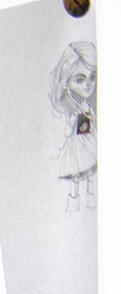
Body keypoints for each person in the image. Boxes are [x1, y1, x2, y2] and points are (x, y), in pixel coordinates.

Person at [50, 41, 97, 212]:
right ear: (66, 81)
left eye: (93, 77)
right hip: (78, 144)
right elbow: (70, 128)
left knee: (91, 171)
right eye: (80, 79)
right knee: (77, 172)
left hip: (90, 140)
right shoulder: (71, 105)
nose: (88, 85)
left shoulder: (87, 104)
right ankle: (73, 199)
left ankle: (91, 197)